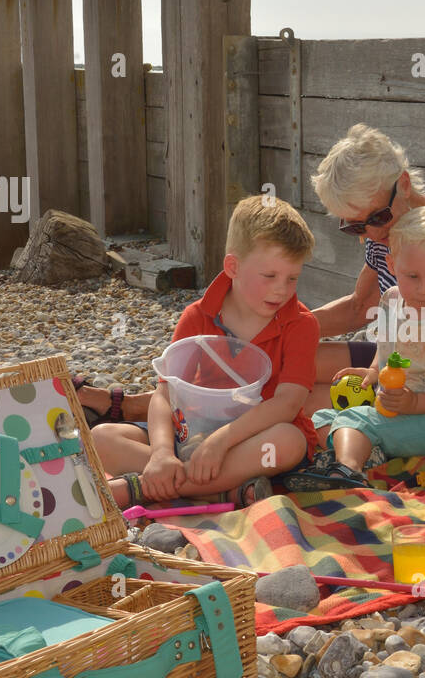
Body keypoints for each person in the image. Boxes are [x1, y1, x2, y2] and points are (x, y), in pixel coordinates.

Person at [76, 124, 425, 452]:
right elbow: (360, 308)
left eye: (374, 219)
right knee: (274, 360)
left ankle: (147, 415)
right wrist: (270, 329)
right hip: (395, 358)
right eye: (353, 227)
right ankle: (158, 406)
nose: (368, 235)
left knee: (294, 396)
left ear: (403, 185)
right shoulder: (389, 234)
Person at [93, 195, 320, 508]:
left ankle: (144, 488)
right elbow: (165, 394)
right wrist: (161, 453)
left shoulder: (302, 324)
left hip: (256, 440)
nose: (282, 289)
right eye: (269, 276)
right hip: (193, 436)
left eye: (292, 278)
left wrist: (221, 441)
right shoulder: (197, 315)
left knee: (288, 442)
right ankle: (218, 492)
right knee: (101, 438)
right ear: (233, 267)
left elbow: (287, 404)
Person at [291, 206, 425, 489]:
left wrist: (415, 403)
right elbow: (388, 345)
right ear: (392, 267)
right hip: (390, 411)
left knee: (355, 420)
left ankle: (346, 471)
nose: (423, 289)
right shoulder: (392, 301)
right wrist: (372, 370)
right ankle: (370, 455)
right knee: (320, 418)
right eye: (412, 276)